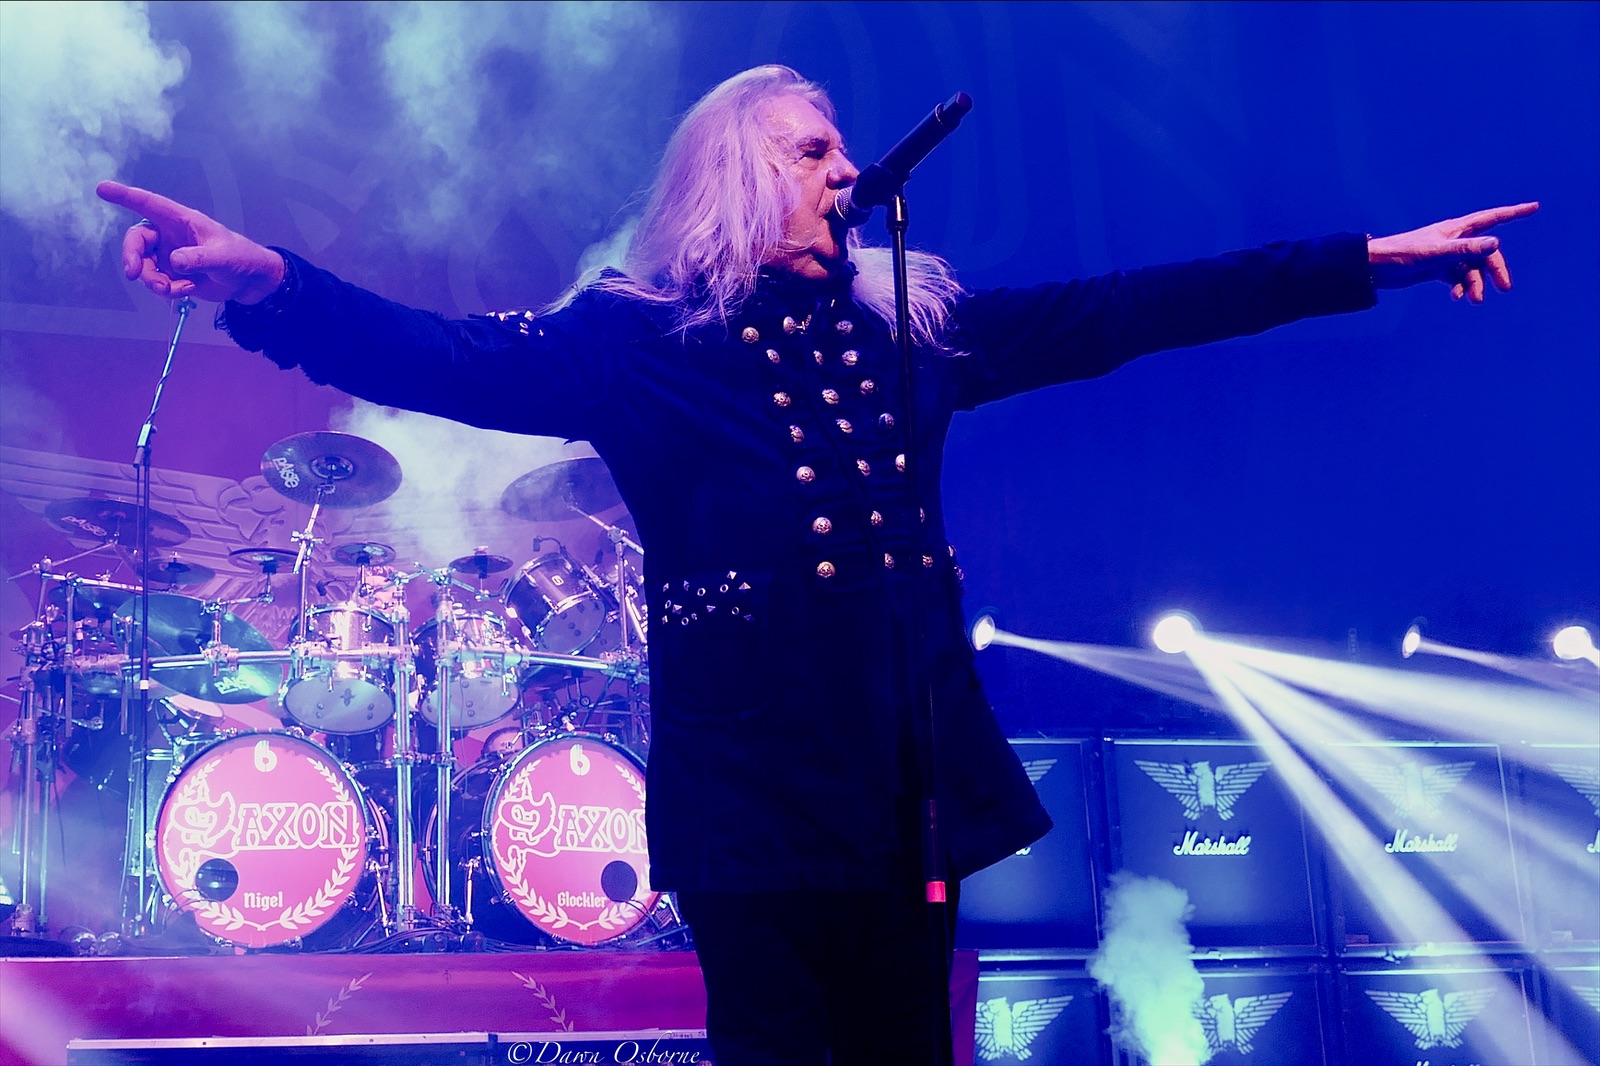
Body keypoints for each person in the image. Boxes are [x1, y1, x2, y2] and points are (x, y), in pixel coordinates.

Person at [99, 64, 1534, 1066]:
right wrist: (270, 283)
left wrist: (1363, 262)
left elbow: (1127, 308)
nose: (847, 170)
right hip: (752, 787)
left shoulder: (907, 332)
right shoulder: (639, 340)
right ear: (735, 174)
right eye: (811, 151)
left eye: (843, 150)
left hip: (906, 780)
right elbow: (444, 356)